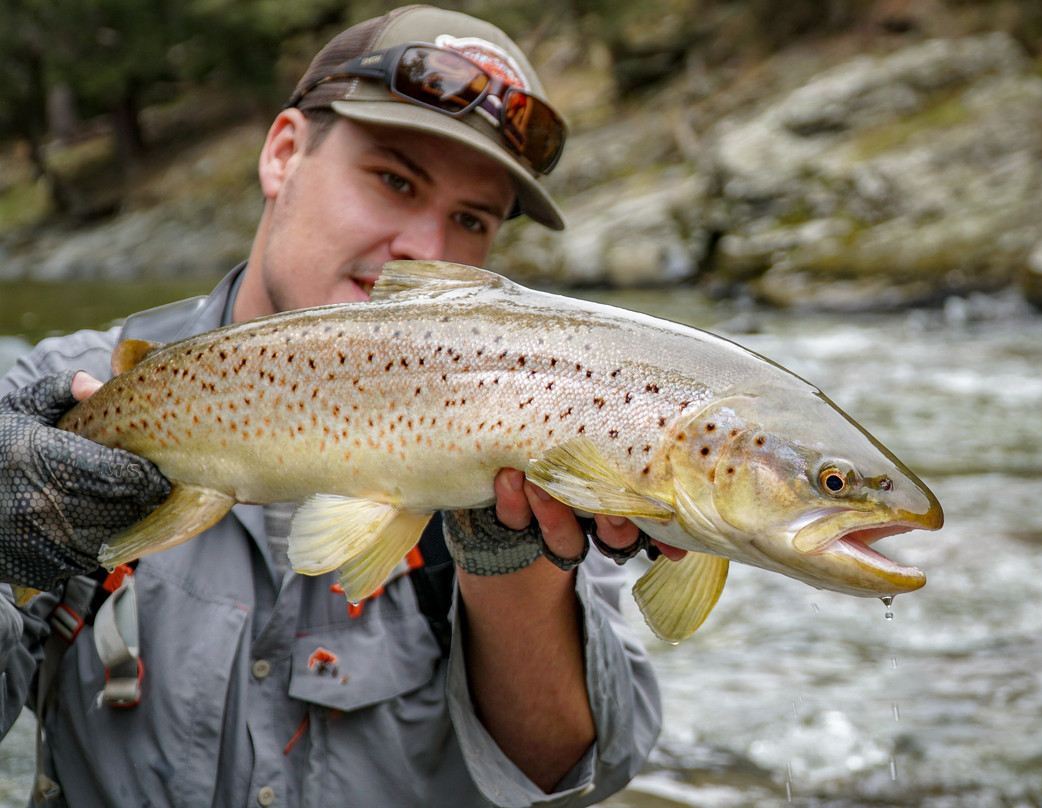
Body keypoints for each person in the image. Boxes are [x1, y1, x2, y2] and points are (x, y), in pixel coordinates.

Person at [0, 6, 665, 808]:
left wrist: (511, 569)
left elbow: (582, 770)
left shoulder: (536, 429)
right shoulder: (60, 397)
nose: (426, 247)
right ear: (284, 153)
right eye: (395, 181)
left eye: (470, 219)